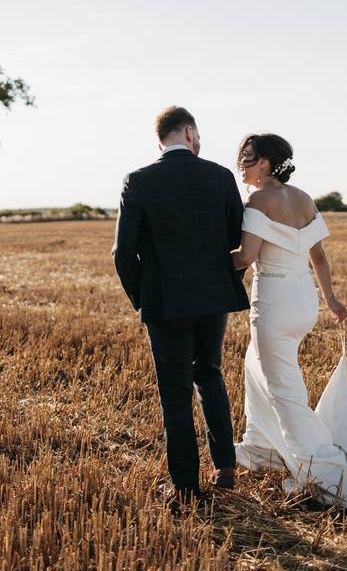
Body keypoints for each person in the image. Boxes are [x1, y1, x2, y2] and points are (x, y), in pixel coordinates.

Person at [230, 133, 347, 508]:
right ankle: (261, 447)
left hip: (274, 302)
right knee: (254, 366)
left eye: (248, 158)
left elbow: (244, 257)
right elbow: (318, 257)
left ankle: (332, 478)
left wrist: (201, 262)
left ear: (267, 163)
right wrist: (331, 299)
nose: (241, 164)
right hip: (304, 302)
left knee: (286, 394)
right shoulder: (303, 199)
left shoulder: (257, 200)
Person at [112, 106, 249, 502]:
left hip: (166, 303)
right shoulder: (220, 177)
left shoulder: (137, 181)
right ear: (189, 132)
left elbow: (124, 255)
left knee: (174, 391)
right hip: (213, 299)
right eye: (198, 133)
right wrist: (225, 284)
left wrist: (144, 298)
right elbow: (238, 243)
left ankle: (185, 485)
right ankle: (225, 465)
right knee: (210, 374)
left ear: (160, 139)